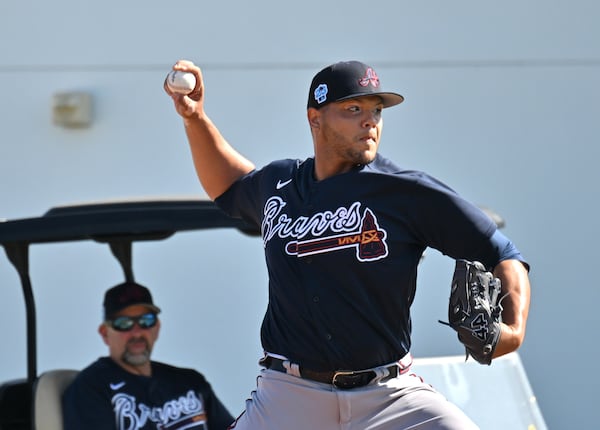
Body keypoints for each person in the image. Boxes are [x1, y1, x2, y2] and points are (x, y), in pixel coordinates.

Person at [165, 59, 531, 429]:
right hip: (290, 396)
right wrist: (194, 119)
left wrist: (513, 330)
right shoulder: (279, 185)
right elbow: (230, 184)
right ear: (315, 118)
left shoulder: (405, 192)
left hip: (389, 395)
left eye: (376, 110)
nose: (369, 121)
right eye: (353, 109)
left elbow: (501, 253)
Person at [62, 281, 234, 430]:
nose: (137, 332)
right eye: (124, 323)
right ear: (105, 333)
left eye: (146, 321)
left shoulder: (191, 382)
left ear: (157, 327)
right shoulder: (92, 388)